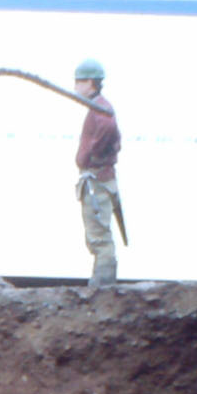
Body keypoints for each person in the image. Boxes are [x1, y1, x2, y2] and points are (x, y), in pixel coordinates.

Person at [72, 57, 122, 290]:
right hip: (98, 180)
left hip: (98, 182)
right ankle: (101, 288)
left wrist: (90, 157)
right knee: (97, 236)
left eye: (79, 82)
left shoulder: (102, 111)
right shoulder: (98, 108)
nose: (76, 87)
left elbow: (108, 132)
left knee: (100, 238)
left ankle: (103, 291)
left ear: (91, 82)